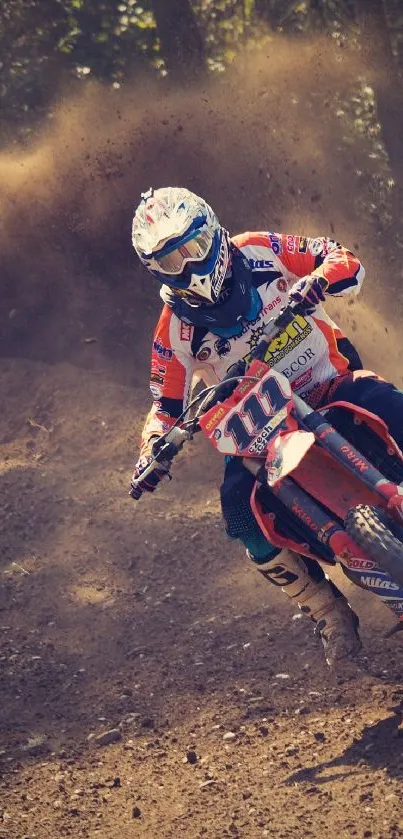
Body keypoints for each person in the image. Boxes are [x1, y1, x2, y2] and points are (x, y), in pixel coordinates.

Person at [129, 185, 403, 667]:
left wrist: (319, 280)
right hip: (260, 430)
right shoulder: (172, 330)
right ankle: (325, 611)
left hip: (326, 383)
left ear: (212, 233)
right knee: (238, 509)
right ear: (156, 271)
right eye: (172, 262)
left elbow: (338, 256)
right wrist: (153, 446)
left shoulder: (258, 250)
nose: (189, 268)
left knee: (386, 403)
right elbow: (165, 407)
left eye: (192, 250)